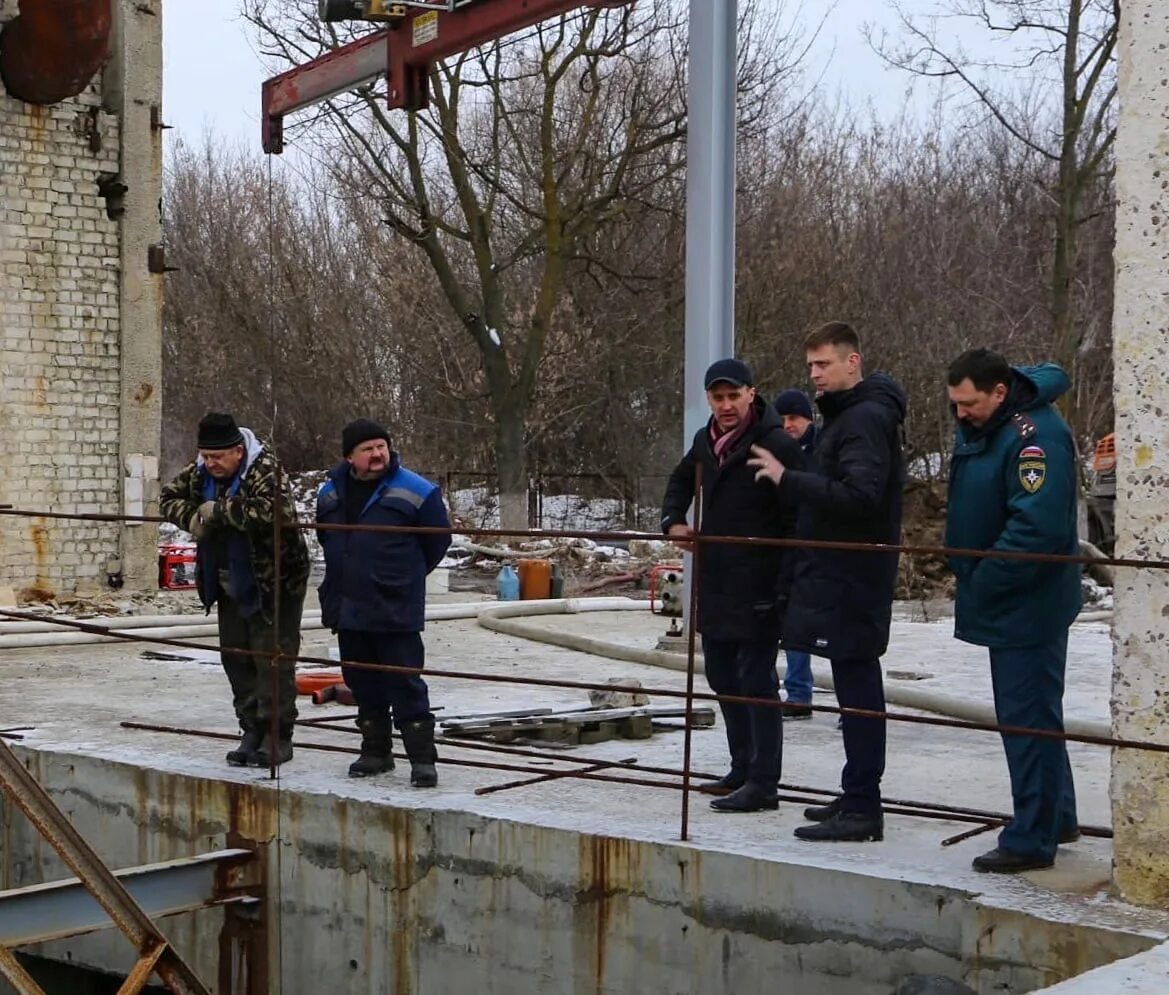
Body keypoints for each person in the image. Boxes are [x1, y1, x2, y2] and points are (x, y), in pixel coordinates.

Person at [749, 321, 906, 842]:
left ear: (852, 362)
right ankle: (856, 792)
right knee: (851, 688)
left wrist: (788, 480)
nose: (814, 374)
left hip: (853, 575)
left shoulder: (862, 420)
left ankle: (864, 807)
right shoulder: (851, 416)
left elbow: (860, 496)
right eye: (811, 365)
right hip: (844, 573)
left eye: (823, 364)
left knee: (859, 690)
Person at [944, 348, 1081, 873]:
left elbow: (1036, 529)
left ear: (1000, 392)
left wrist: (983, 580)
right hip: (1015, 601)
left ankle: (1031, 836)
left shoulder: (1033, 439)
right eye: (955, 404)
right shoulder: (995, 426)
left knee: (1027, 720)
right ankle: (1056, 815)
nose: (961, 414)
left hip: (1027, 602)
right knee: (1034, 715)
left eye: (969, 404)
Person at [661, 359, 805, 813]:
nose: (725, 405)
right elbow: (681, 478)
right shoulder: (706, 441)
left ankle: (765, 783)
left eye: (732, 396)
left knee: (756, 680)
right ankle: (741, 766)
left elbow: (801, 507)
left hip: (762, 581)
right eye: (717, 397)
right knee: (723, 675)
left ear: (751, 394)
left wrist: (789, 576)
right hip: (718, 578)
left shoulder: (775, 442)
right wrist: (673, 520)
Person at [160, 412, 310, 767]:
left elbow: (273, 510)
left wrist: (219, 512)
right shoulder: (199, 470)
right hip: (226, 577)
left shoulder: (265, 468)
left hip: (273, 579)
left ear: (238, 452)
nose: (210, 464)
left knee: (271, 656)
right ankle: (250, 729)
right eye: (206, 457)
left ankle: (277, 733)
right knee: (235, 655)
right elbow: (168, 498)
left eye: (217, 458)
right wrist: (193, 516)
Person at [315, 419, 452, 786]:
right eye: (367, 449)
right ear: (349, 457)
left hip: (394, 607)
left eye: (381, 446)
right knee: (361, 682)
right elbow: (327, 540)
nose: (377, 454)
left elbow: (437, 543)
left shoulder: (418, 491)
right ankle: (375, 752)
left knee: (405, 683)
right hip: (348, 605)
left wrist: (402, 577)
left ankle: (423, 760)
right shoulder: (329, 494)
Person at [772, 389, 818, 720]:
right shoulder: (775, 449)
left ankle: (804, 693)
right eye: (783, 419)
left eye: (794, 419)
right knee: (790, 622)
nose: (788, 425)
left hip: (815, 545)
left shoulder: (822, 449)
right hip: (786, 544)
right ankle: (797, 694)